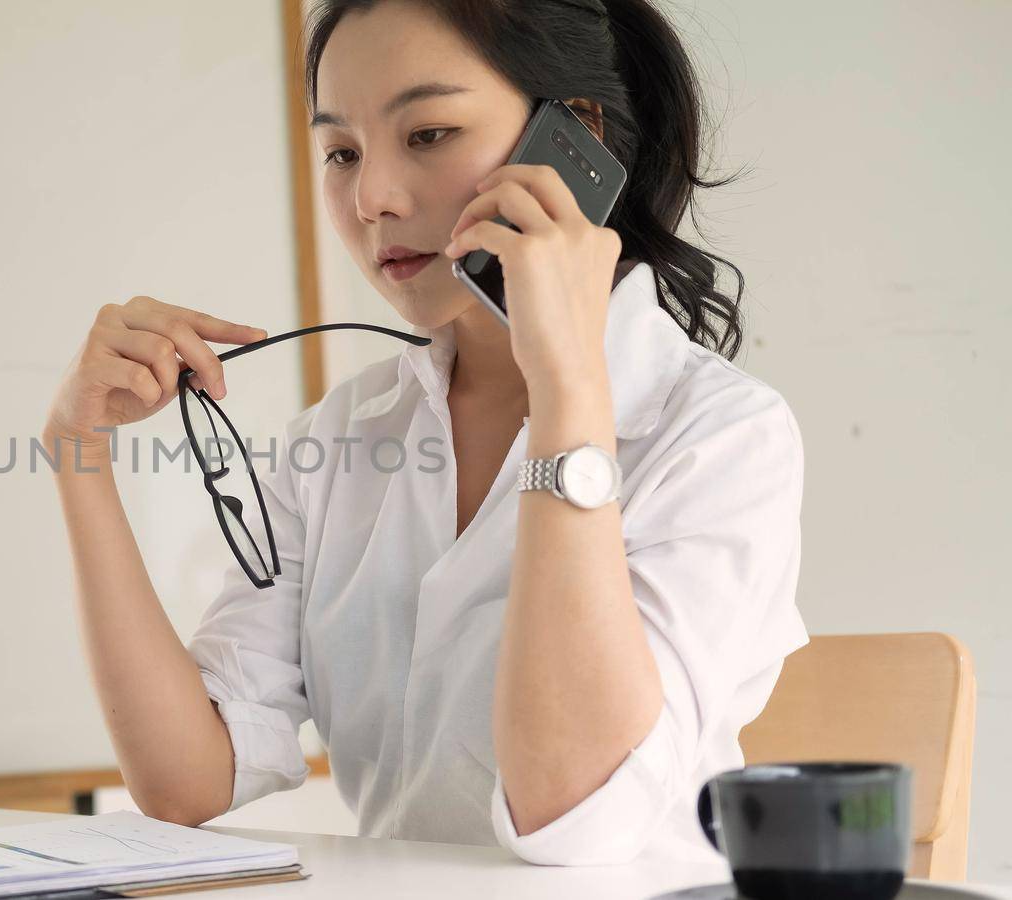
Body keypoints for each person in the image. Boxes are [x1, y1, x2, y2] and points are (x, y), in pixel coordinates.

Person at [41, 0, 806, 865]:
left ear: (574, 140)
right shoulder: (338, 438)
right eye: (341, 152)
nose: (371, 198)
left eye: (429, 134)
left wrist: (567, 392)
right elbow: (186, 782)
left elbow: (570, 814)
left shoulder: (721, 436)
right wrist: (80, 456)